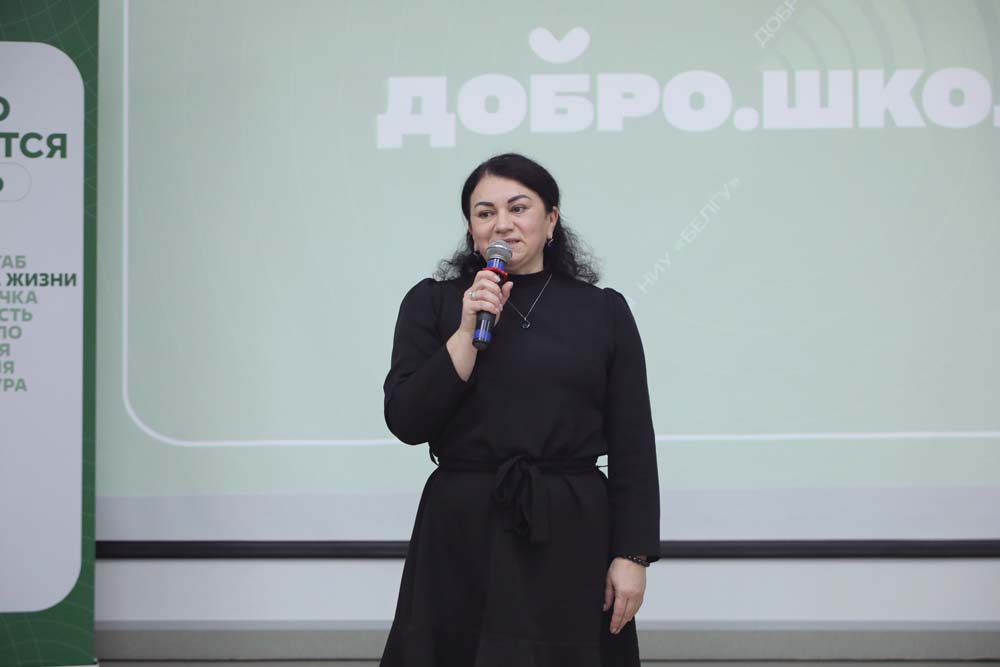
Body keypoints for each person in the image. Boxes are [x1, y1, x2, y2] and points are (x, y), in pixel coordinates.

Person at [380, 152, 660, 666]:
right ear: (472, 231)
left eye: (518, 207)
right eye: (485, 212)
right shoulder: (434, 304)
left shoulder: (602, 311)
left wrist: (632, 554)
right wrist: (466, 333)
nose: (502, 224)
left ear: (551, 220)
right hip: (462, 529)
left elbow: (633, 441)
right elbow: (407, 420)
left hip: (569, 529)